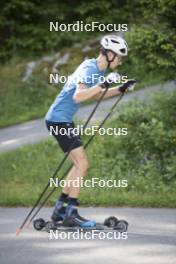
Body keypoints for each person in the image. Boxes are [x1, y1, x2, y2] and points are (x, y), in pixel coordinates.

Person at [45, 35, 133, 227]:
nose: (120, 60)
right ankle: (71, 213)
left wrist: (121, 88)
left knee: (77, 165)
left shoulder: (98, 70)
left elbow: (96, 95)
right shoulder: (89, 68)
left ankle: (60, 210)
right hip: (58, 120)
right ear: (109, 54)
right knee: (83, 164)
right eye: (119, 56)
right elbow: (78, 96)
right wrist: (103, 84)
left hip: (62, 120)